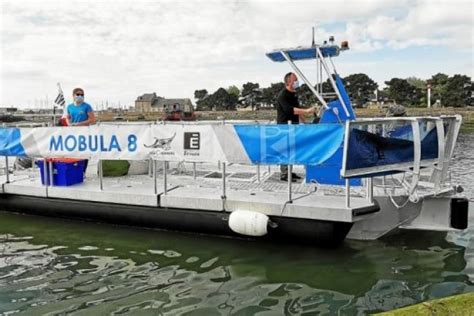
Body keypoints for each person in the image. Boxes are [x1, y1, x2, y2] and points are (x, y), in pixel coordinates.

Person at [276, 72, 316, 181]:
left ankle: (289, 171)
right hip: (284, 127)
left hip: (293, 126)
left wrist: (306, 123)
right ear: (288, 82)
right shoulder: (282, 95)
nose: (297, 82)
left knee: (291, 150)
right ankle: (284, 174)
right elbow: (290, 110)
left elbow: (298, 111)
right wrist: (307, 110)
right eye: (295, 80)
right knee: (285, 150)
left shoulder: (293, 94)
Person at [66, 87, 96, 175]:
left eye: (82, 95)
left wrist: (79, 124)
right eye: (78, 94)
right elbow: (68, 118)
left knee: (84, 153)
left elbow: (92, 120)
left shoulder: (87, 106)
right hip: (73, 133)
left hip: (85, 132)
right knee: (74, 152)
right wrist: (69, 123)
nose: (80, 96)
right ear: (73, 96)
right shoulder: (69, 107)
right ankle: (74, 171)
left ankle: (83, 172)